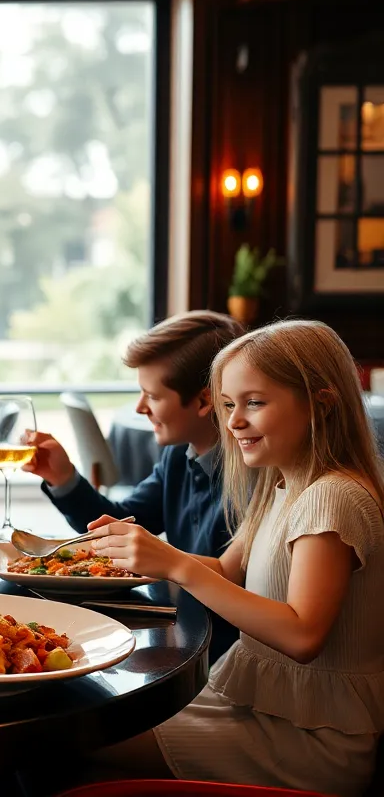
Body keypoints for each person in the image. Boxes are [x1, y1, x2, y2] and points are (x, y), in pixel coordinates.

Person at [86, 320, 384, 796]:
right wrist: (148, 552)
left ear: (321, 404)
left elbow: (303, 633)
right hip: (263, 708)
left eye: (254, 403)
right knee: (64, 732)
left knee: (60, 744)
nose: (232, 422)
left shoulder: (333, 498)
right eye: (227, 405)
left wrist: (178, 566)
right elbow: (227, 571)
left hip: (310, 738)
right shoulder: (283, 483)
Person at [25, 310, 245, 658]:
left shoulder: (256, 477)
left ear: (205, 400)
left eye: (153, 396)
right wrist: (64, 478)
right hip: (180, 636)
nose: (140, 407)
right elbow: (125, 521)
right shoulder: (177, 456)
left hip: (222, 655)